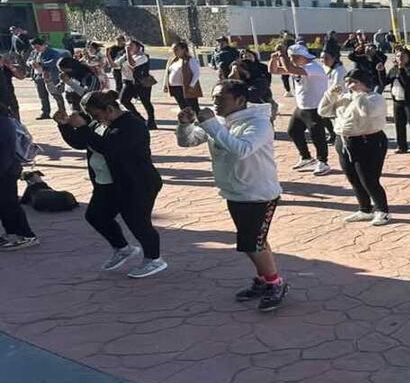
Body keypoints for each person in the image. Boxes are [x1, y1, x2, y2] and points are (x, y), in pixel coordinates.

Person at [176, 80, 288, 311]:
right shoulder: (219, 121)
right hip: (234, 192)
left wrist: (210, 124)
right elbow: (187, 141)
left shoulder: (259, 123)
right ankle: (264, 280)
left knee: (252, 244)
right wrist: (185, 125)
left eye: (221, 98)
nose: (215, 103)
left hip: (258, 194)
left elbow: (241, 149)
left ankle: (275, 283)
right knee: (255, 241)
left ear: (240, 100)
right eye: (213, 98)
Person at [56, 90, 167, 278]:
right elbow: (82, 142)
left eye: (96, 115)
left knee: (137, 221)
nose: (94, 119)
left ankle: (154, 259)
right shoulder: (99, 123)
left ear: (109, 109)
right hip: (108, 183)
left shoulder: (132, 125)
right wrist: (65, 125)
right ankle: (123, 248)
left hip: (138, 182)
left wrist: (82, 128)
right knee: (96, 215)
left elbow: (109, 147)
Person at [319, 68, 391, 225]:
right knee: (353, 178)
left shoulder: (375, 98)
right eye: (347, 81)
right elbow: (323, 111)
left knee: (368, 179)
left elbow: (367, 113)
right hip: (344, 141)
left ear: (363, 83)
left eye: (353, 82)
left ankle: (383, 211)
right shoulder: (345, 97)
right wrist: (331, 95)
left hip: (368, 141)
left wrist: (359, 95)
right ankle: (365, 209)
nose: (348, 85)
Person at [270, 43, 331, 175]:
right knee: (293, 131)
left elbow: (289, 68)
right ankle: (306, 157)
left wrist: (282, 54)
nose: (291, 60)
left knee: (317, 135)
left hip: (315, 107)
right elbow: (274, 71)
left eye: (292, 57)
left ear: (300, 57)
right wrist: (274, 59)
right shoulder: (299, 67)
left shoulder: (313, 67)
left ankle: (323, 162)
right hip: (302, 107)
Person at [0, 102, 39, 250]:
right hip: (7, 168)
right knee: (5, 204)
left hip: (6, 170)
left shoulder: (3, 123)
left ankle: (25, 235)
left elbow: (5, 151)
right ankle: (12, 232)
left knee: (8, 204)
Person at [386, 47, 410, 153]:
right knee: (399, 124)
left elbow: (409, 84)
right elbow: (385, 81)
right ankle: (402, 146)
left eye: (403, 56)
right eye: (398, 56)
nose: (400, 58)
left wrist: (401, 69)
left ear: (409, 57)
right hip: (397, 100)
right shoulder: (394, 69)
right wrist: (380, 71)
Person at [118, 39, 157, 129]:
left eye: (131, 45)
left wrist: (127, 52)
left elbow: (132, 64)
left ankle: (151, 121)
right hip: (131, 82)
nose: (129, 47)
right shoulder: (126, 56)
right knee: (123, 99)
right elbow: (115, 65)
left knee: (145, 102)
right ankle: (139, 119)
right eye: (128, 45)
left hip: (142, 82)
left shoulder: (143, 57)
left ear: (138, 47)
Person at [29, 37, 65, 119]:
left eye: (38, 47)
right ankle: (45, 112)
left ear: (44, 45)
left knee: (56, 94)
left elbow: (55, 61)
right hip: (38, 76)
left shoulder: (53, 52)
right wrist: (31, 63)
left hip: (50, 76)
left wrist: (41, 64)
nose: (36, 49)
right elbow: (28, 60)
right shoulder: (34, 52)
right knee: (42, 95)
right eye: (34, 47)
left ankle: (62, 111)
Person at [164, 41, 202, 111]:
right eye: (173, 50)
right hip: (175, 88)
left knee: (193, 107)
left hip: (186, 88)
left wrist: (191, 85)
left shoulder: (190, 60)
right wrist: (165, 84)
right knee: (183, 108)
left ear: (183, 49)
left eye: (176, 49)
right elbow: (168, 72)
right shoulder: (173, 60)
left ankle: (199, 118)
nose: (174, 51)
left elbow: (196, 73)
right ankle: (187, 118)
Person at [0, 54, 27, 121]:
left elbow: (21, 77)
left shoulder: (6, 68)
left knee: (14, 113)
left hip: (9, 95)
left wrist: (11, 67)